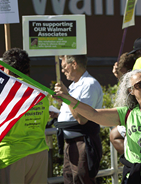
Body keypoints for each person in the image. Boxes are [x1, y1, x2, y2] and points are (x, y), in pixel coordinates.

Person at [54, 52, 141, 183]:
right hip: (136, 178)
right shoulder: (126, 113)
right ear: (131, 91)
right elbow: (93, 114)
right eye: (139, 85)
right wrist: (68, 99)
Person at [0, 48, 49, 184]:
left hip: (11, 155)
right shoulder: (41, 92)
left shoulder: (5, 92)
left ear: (6, 69)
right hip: (39, 152)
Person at [50, 55, 103, 184]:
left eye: (64, 67)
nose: (62, 71)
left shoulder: (89, 84)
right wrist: (60, 114)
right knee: (70, 180)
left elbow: (82, 118)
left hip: (82, 141)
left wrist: (66, 96)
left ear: (74, 64)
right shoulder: (76, 85)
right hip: (71, 142)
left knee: (81, 179)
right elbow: (74, 109)